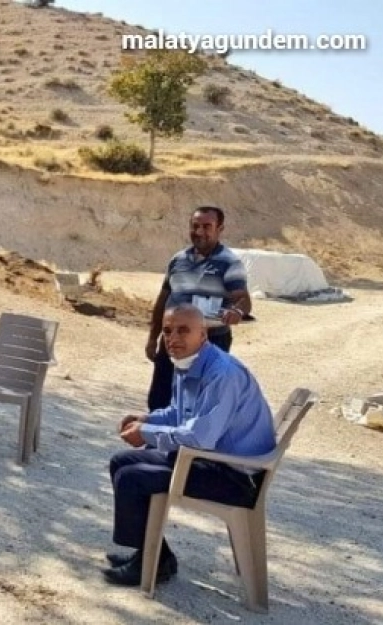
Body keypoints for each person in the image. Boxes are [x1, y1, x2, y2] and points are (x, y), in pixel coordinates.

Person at [104, 304, 276, 586]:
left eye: (183, 330)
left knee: (132, 478)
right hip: (212, 460)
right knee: (121, 462)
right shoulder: (189, 362)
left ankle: (150, 563)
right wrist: (147, 419)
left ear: (203, 335)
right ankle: (155, 557)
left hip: (236, 477)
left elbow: (200, 437)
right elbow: (179, 413)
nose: (173, 338)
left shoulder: (222, 374)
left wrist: (147, 434)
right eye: (167, 331)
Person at [145, 206, 252, 411]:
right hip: (172, 340)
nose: (200, 232)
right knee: (160, 399)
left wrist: (237, 311)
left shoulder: (230, 263)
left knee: (198, 402)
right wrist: (152, 338)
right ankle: (158, 432)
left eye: (207, 226)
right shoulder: (177, 260)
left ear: (220, 229)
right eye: (195, 226)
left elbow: (243, 299)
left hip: (210, 343)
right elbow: (163, 301)